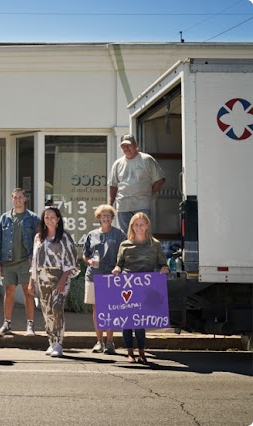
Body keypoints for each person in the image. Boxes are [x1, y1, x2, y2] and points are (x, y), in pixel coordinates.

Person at [112, 212, 169, 364]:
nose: (139, 227)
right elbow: (119, 263)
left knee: (139, 322)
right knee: (127, 322)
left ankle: (142, 353)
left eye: (142, 224)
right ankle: (130, 353)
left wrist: (164, 269)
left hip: (146, 287)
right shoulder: (125, 244)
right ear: (132, 226)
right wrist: (117, 270)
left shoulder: (154, 244)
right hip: (127, 287)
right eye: (136, 224)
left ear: (147, 226)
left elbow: (163, 263)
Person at [27, 207, 80, 357]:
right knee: (47, 310)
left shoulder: (65, 237)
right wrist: (31, 282)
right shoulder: (39, 237)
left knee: (57, 308)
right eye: (46, 217)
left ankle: (59, 342)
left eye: (52, 217)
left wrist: (63, 280)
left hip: (59, 277)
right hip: (42, 278)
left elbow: (71, 262)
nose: (49, 220)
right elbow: (35, 262)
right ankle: (51, 341)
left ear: (58, 219)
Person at [0, 188, 40, 337]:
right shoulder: (5, 218)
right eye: (15, 197)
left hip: (26, 261)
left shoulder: (33, 218)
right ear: (11, 199)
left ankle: (30, 325)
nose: (18, 200)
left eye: (20, 197)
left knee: (28, 292)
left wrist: (35, 260)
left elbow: (39, 240)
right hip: (8, 261)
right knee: (9, 292)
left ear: (25, 199)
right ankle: (7, 323)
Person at [82, 204, 126, 355]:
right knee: (97, 309)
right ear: (98, 217)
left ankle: (110, 342)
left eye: (109, 215)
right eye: (103, 215)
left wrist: (119, 268)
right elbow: (85, 255)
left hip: (111, 276)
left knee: (110, 309)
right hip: (94, 275)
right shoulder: (91, 234)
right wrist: (89, 262)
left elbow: (124, 254)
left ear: (113, 218)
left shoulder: (119, 234)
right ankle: (99, 342)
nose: (106, 218)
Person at [109, 134, 165, 233]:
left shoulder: (146, 159)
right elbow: (113, 186)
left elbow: (160, 179)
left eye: (129, 145)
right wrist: (110, 205)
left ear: (135, 145)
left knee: (142, 233)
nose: (126, 148)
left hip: (142, 204)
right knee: (127, 235)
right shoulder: (118, 163)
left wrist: (149, 193)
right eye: (123, 146)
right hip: (123, 206)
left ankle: (144, 249)